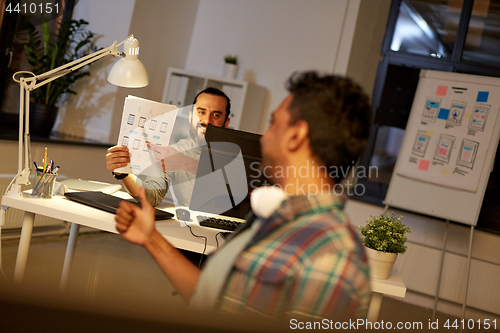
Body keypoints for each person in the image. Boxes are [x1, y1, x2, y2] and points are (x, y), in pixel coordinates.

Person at [114, 71, 372, 320]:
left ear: (295, 136)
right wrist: (151, 239)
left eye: (273, 123)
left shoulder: (332, 257)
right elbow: (212, 299)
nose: (263, 137)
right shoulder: (276, 221)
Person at [106, 87, 231, 206]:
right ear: (190, 117)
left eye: (216, 115)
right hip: (189, 227)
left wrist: (185, 163)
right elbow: (152, 196)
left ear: (226, 123)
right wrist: (123, 173)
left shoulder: (238, 155)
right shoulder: (176, 151)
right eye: (201, 112)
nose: (206, 120)